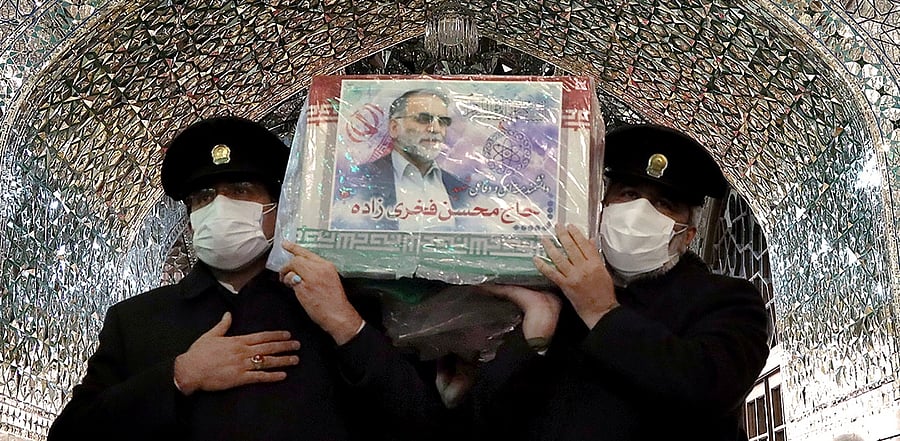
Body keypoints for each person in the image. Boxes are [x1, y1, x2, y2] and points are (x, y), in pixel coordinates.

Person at [47, 116, 447, 441]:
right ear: (189, 220)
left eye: (240, 190)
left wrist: (347, 325)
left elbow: (425, 425)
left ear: (278, 206)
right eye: (203, 197)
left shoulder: (344, 300)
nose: (219, 207)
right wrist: (180, 376)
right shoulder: (137, 321)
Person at [472, 123, 771, 440]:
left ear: (687, 236)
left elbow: (708, 389)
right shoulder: (552, 291)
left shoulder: (728, 300)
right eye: (629, 194)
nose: (639, 211)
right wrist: (537, 332)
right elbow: (490, 417)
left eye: (663, 204)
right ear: (601, 208)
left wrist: (601, 311)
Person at [344, 89, 470, 231]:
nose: (435, 129)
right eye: (423, 119)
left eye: (443, 122)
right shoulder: (359, 180)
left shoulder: (461, 190)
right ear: (394, 128)